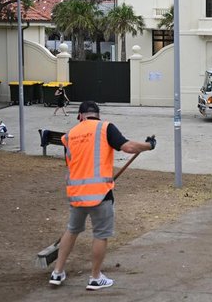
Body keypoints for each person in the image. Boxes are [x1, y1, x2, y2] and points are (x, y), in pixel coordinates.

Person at [49, 100, 156, 290]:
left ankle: (57, 272)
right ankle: (95, 277)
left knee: (72, 230)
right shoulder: (105, 128)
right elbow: (128, 147)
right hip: (100, 194)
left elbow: (71, 166)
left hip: (76, 194)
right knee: (100, 234)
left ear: (80, 116)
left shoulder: (70, 135)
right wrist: (148, 145)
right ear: (97, 114)